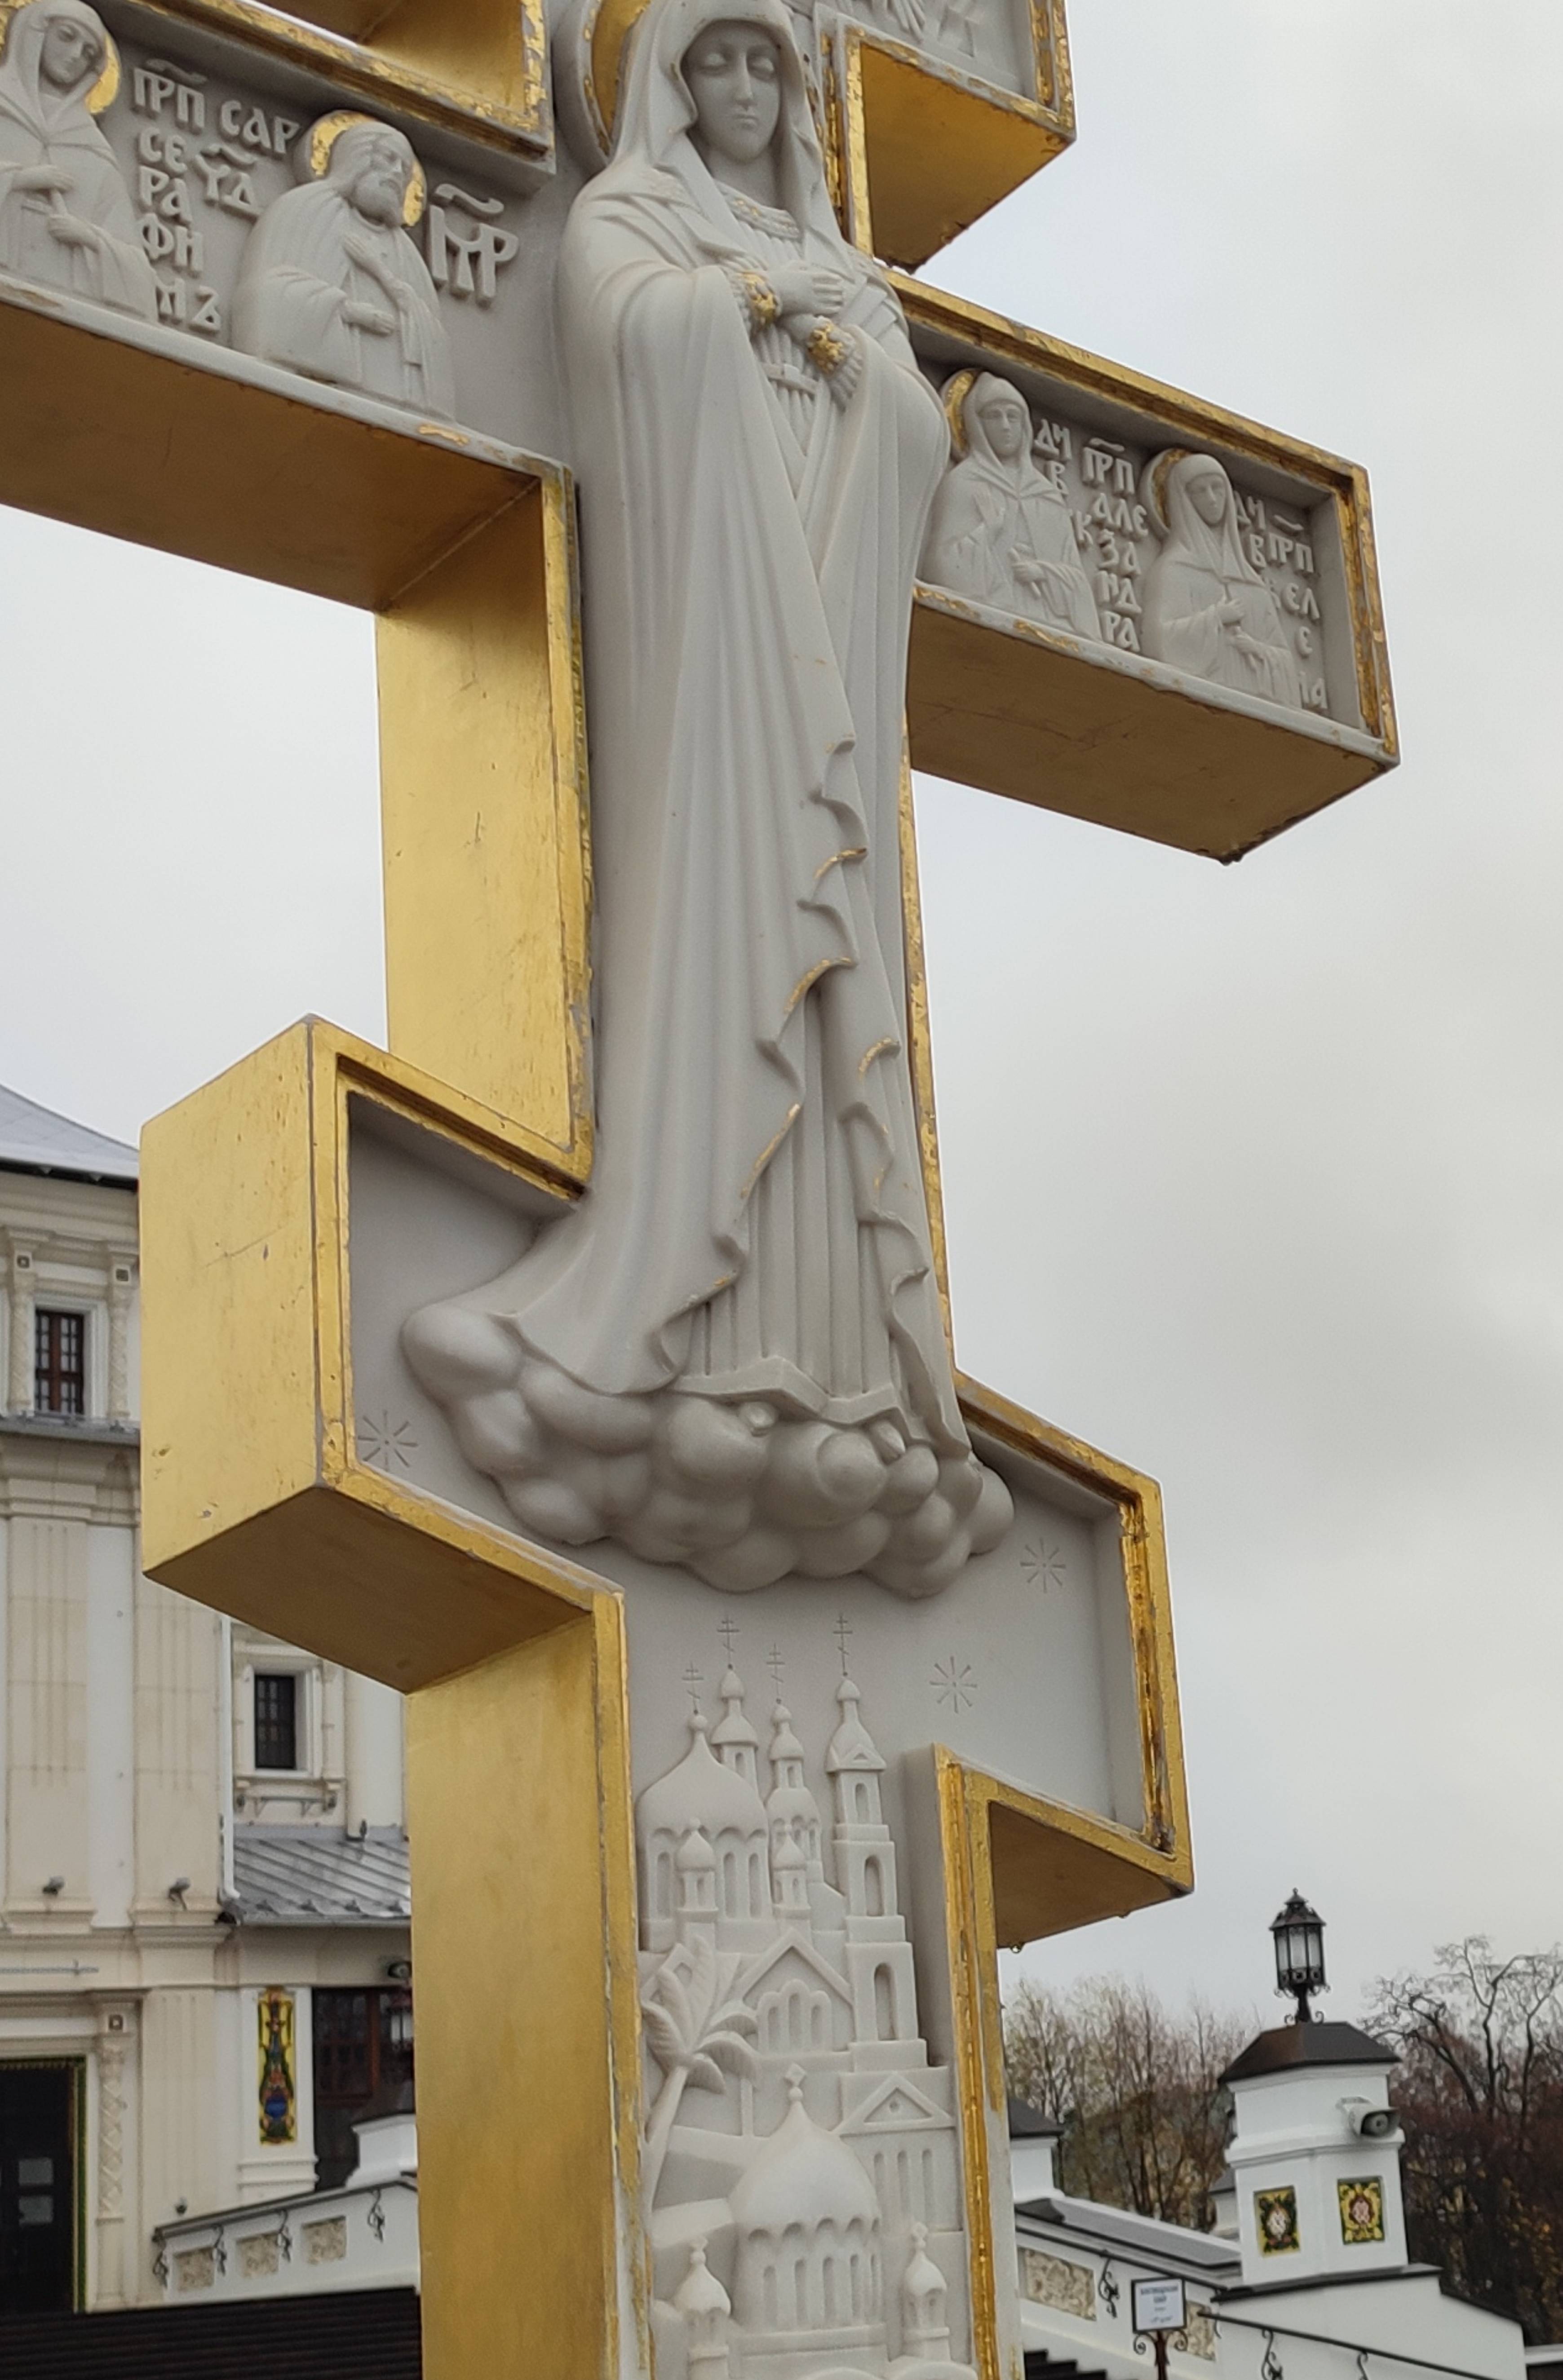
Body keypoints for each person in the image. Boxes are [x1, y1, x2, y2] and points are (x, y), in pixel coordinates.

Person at [403, 0, 1010, 1597]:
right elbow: (626, 341)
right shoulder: (626, 217)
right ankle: (683, 1317)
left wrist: (839, 347)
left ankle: (838, 1362)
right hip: (710, 687)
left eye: (764, 62)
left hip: (830, 685)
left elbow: (905, 441)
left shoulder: (846, 269)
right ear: (667, 82)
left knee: (832, 997)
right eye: (713, 60)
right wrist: (751, 297)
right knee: (731, 960)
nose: (741, 88)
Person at [231, 118, 453, 417]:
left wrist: (382, 275)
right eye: (388, 159)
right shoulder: (307, 210)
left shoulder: (407, 253)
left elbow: (430, 333)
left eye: (405, 168)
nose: (398, 175)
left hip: (393, 400)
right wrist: (347, 311)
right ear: (357, 158)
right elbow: (269, 294)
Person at [0, 0, 156, 319]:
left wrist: (89, 237)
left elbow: (138, 273)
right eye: (66, 36)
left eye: (88, 53)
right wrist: (19, 180)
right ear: (35, 34)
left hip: (61, 299)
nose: (75, 57)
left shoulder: (91, 146)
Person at [922, 367, 1099, 637]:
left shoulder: (1046, 495)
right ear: (976, 424)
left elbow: (1078, 582)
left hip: (1051, 626)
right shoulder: (964, 483)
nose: (1005, 426)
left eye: (1013, 417)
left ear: (1025, 426)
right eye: (994, 416)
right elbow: (940, 566)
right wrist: (987, 533)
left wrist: (1042, 571)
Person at [1140, 447, 1302, 708]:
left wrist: (1257, 650)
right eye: (1200, 491)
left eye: (1218, 488)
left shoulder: (1252, 583)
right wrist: (1215, 618)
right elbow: (1159, 642)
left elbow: (1285, 660)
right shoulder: (1175, 568)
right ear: (1183, 501)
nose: (1213, 499)